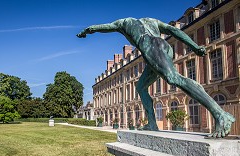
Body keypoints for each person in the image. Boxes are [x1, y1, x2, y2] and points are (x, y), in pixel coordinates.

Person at [77, 17, 235, 138]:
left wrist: (88, 30)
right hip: (163, 46)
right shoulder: (151, 21)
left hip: (150, 47)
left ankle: (220, 115)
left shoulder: (123, 23)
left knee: (174, 79)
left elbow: (103, 27)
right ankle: (152, 124)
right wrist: (193, 46)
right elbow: (174, 31)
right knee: (140, 87)